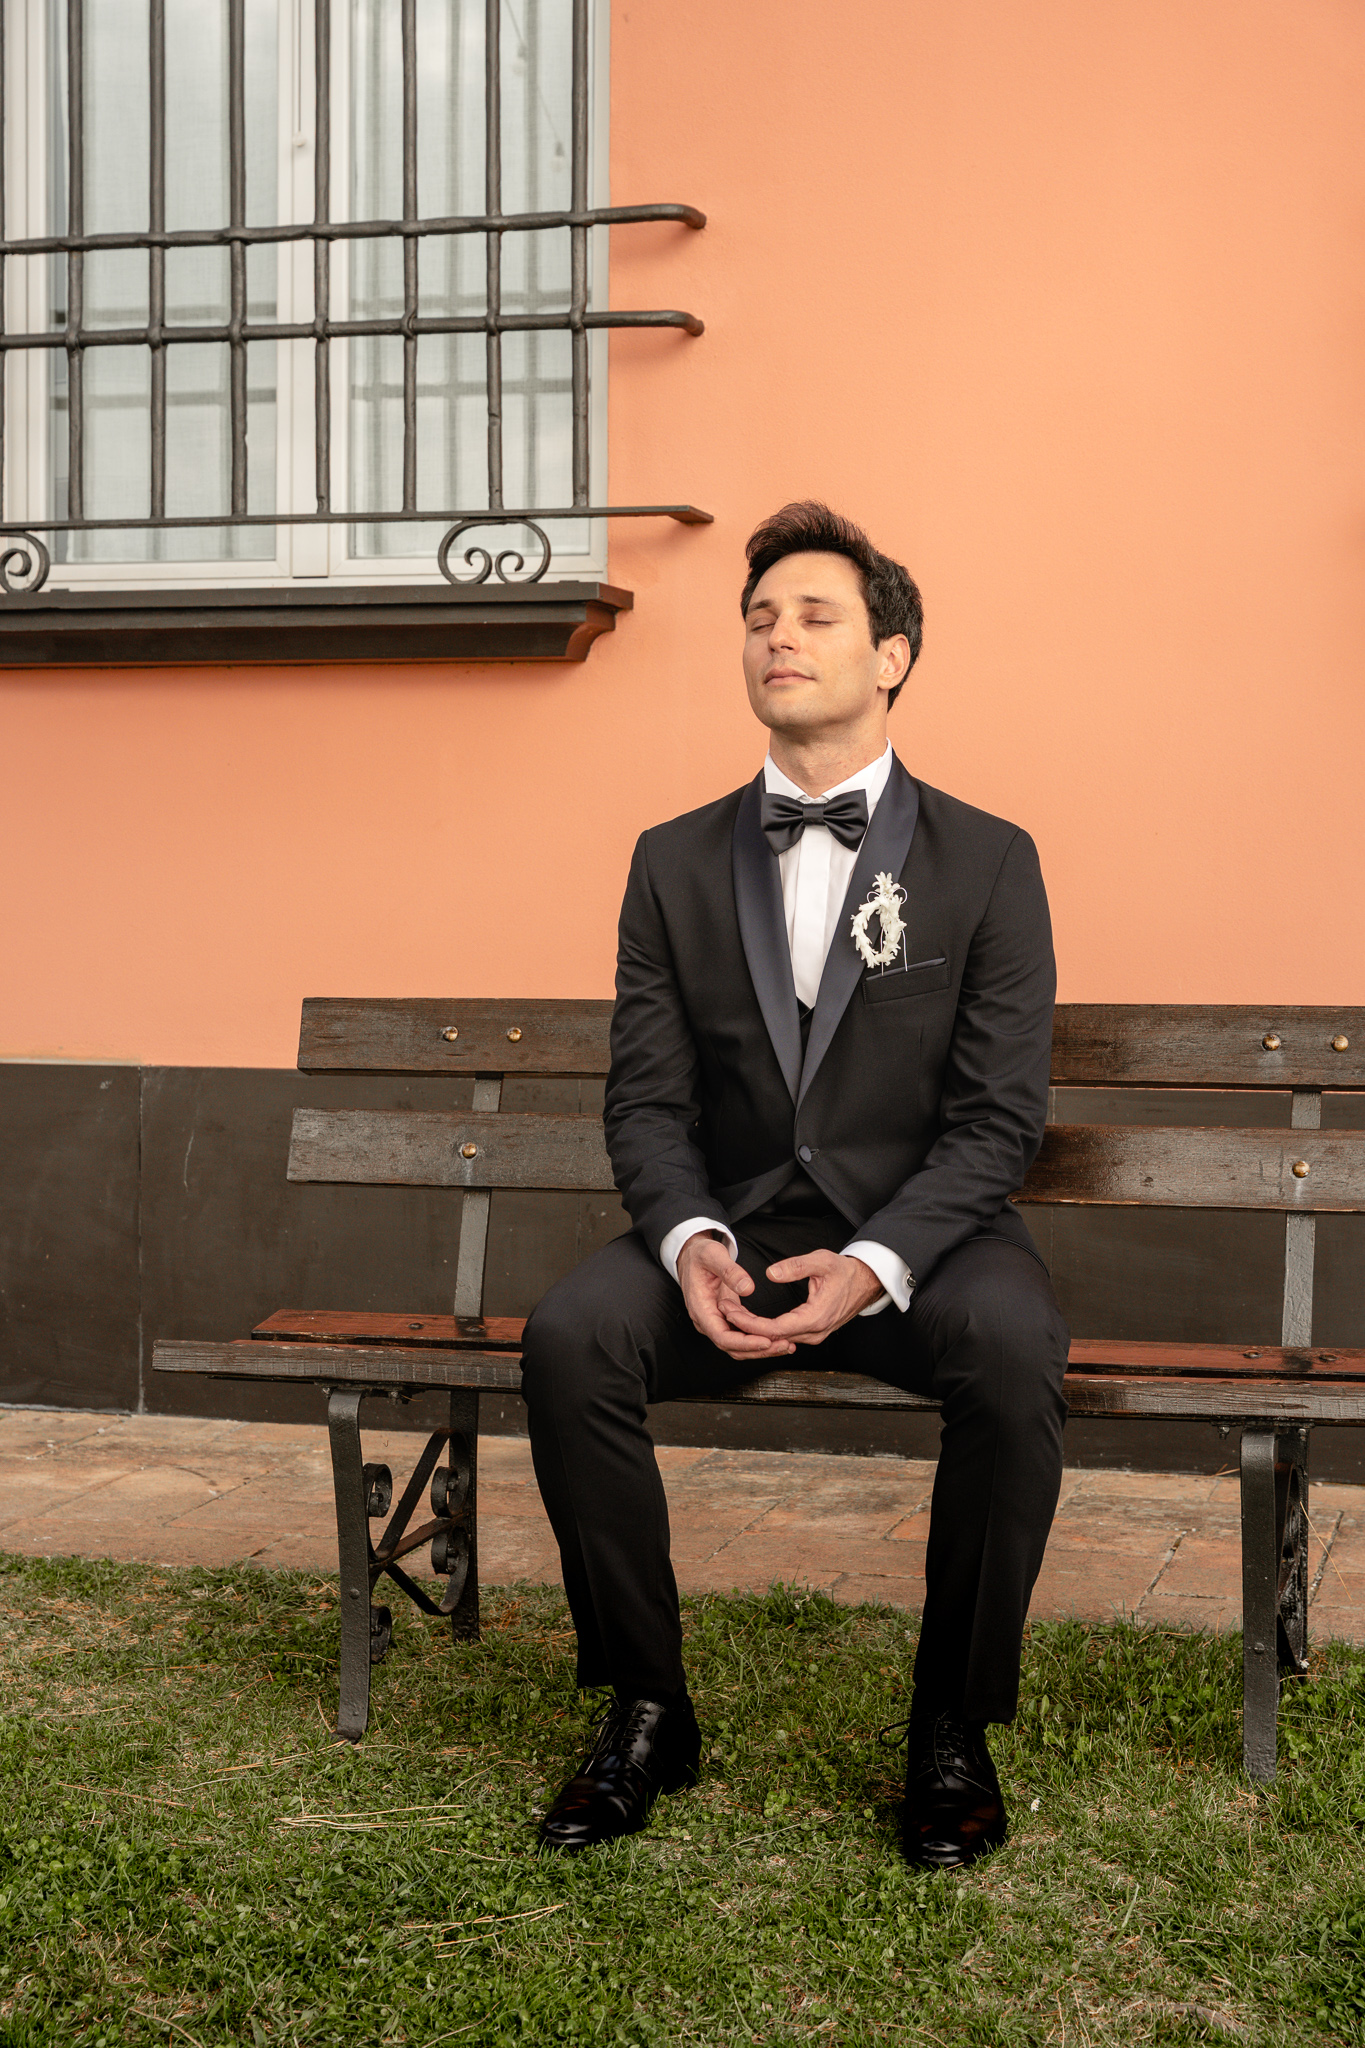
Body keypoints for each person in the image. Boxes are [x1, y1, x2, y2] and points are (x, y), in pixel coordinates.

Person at [520, 501, 1068, 1869]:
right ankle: (648, 1706)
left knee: (1013, 1349)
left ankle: (951, 1721)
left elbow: (998, 1121)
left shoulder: (988, 861)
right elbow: (644, 1098)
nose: (777, 636)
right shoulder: (673, 859)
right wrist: (691, 1236)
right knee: (571, 1333)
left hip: (918, 1244)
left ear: (891, 655)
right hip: (741, 1231)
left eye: (814, 615)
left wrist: (877, 1262)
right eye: (759, 617)